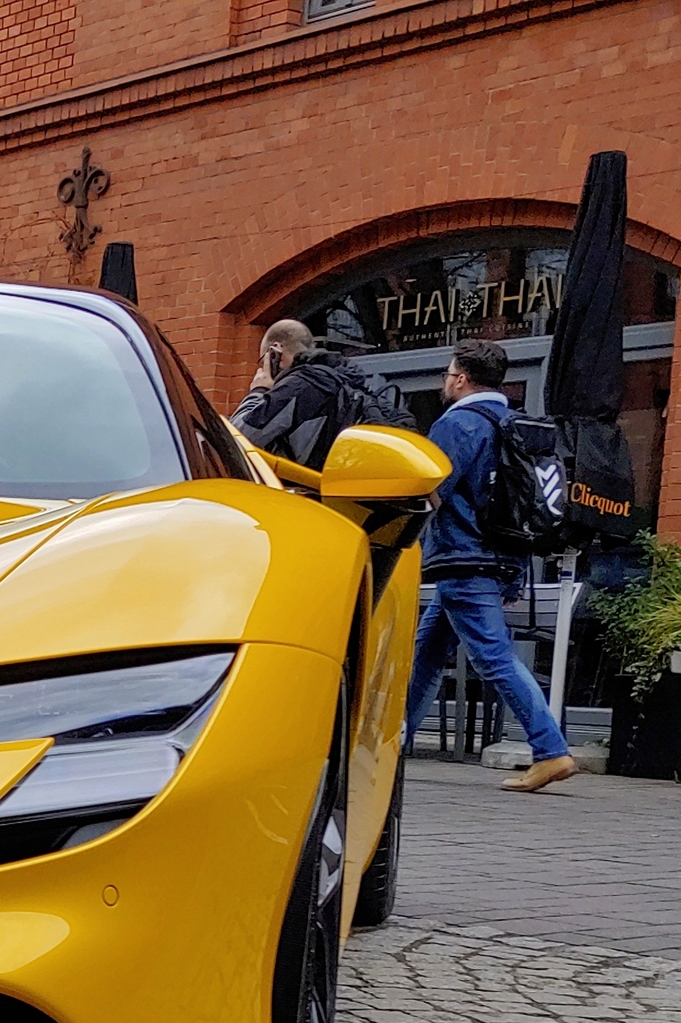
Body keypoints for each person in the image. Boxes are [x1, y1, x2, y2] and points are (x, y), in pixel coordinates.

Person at [403, 339, 575, 793]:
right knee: (427, 653)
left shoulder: (459, 423)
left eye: (447, 374)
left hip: (463, 557)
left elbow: (431, 487)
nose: (445, 381)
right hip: (497, 556)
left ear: (460, 379)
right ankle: (390, 741)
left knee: (494, 657)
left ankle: (550, 749)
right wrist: (515, 568)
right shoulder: (511, 422)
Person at [232, 318, 410, 469]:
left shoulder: (297, 386)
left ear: (275, 352)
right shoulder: (348, 383)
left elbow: (236, 439)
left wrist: (259, 390)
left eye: (263, 361)